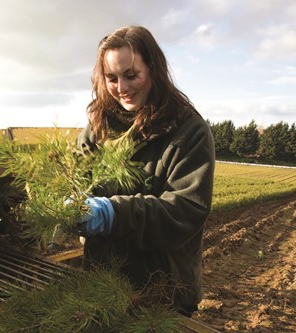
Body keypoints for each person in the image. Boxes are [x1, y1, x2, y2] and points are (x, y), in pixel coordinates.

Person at [74, 26, 215, 317]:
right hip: (103, 279)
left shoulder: (189, 131)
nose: (122, 88)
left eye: (131, 75)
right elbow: (77, 174)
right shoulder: (100, 125)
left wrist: (113, 214)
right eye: (111, 78)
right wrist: (68, 204)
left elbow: (186, 210)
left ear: (153, 69)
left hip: (162, 288)